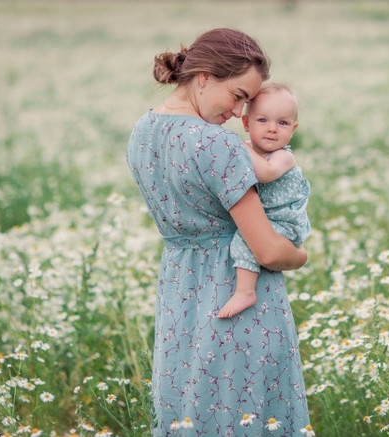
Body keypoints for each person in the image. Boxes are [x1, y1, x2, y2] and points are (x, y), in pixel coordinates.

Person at [126, 28, 312, 436]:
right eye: (239, 95)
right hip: (236, 291)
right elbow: (266, 250)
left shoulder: (142, 130)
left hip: (179, 290)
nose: (237, 112)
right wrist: (300, 255)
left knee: (188, 405)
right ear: (205, 77)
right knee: (242, 410)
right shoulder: (216, 144)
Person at [218, 83, 310, 319]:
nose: (272, 129)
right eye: (262, 121)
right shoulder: (249, 150)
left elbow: (266, 173)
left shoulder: (283, 157)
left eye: (282, 123)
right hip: (268, 219)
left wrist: (238, 144)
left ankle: (245, 292)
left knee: (244, 240)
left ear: (293, 128)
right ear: (246, 123)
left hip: (284, 223)